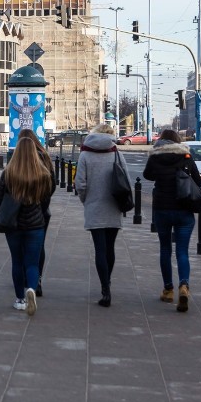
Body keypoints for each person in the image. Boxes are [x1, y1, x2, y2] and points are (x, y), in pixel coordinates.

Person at [142, 129, 201, 312]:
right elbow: (197, 181)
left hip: (162, 208)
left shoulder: (155, 157)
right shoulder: (186, 156)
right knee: (182, 250)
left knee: (165, 248)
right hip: (184, 209)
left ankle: (168, 290)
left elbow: (147, 176)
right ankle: (184, 285)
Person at [74, 123, 129, 307]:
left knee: (99, 249)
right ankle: (108, 282)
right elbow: (126, 180)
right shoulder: (116, 153)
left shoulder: (85, 154)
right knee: (110, 247)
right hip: (113, 205)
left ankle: (105, 289)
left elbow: (80, 184)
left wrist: (85, 200)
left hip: (94, 205)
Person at [0, 136, 53, 316]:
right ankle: (31, 289)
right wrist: (39, 214)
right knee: (32, 263)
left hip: (14, 225)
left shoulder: (8, 173)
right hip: (36, 225)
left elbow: (1, 199)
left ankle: (20, 299)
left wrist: (8, 214)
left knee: (17, 261)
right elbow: (45, 200)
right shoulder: (42, 173)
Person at [18, 128, 57, 297]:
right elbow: (52, 185)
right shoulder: (45, 157)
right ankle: (37, 279)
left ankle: (24, 278)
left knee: (21, 247)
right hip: (41, 211)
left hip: (20, 212)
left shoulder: (19, 160)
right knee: (38, 247)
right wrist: (42, 202)